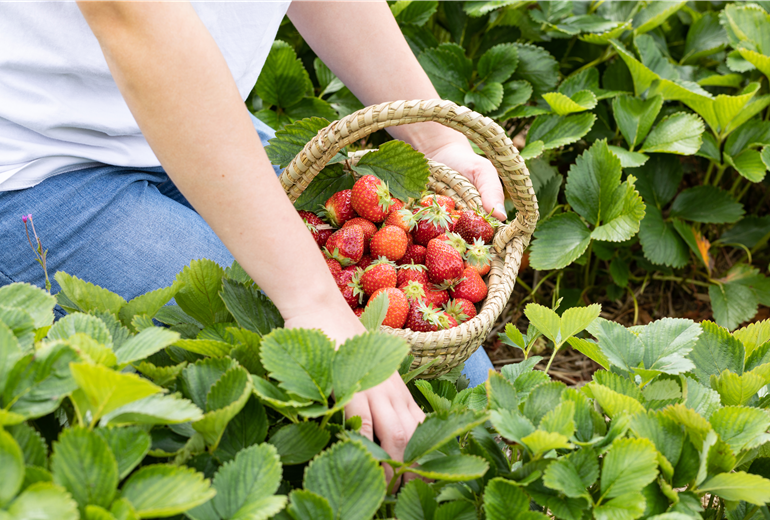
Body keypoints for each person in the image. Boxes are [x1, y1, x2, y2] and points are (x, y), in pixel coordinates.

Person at [0, 0, 507, 479]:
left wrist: (436, 137)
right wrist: (314, 303)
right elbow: (132, 17)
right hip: (34, 164)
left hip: (203, 116)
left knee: (467, 406)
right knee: (311, 388)